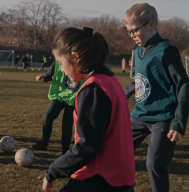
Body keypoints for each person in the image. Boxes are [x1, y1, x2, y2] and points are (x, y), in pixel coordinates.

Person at [42, 27, 135, 192]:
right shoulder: (109, 80)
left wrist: (54, 169)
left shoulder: (93, 89)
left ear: (75, 57)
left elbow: (88, 145)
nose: (61, 70)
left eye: (61, 63)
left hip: (101, 177)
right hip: (119, 177)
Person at [123, 3, 189, 192]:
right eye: (128, 32)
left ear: (151, 26)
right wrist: (123, 93)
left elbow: (184, 85)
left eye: (134, 31)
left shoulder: (166, 50)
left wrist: (178, 122)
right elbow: (139, 81)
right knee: (117, 151)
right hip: (138, 116)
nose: (132, 36)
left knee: (154, 166)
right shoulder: (137, 52)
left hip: (163, 119)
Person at [31, 59, 85, 155]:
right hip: (59, 96)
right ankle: (44, 143)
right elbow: (50, 74)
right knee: (48, 117)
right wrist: (43, 78)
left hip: (73, 98)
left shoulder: (80, 61)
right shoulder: (58, 61)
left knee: (67, 125)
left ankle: (65, 149)